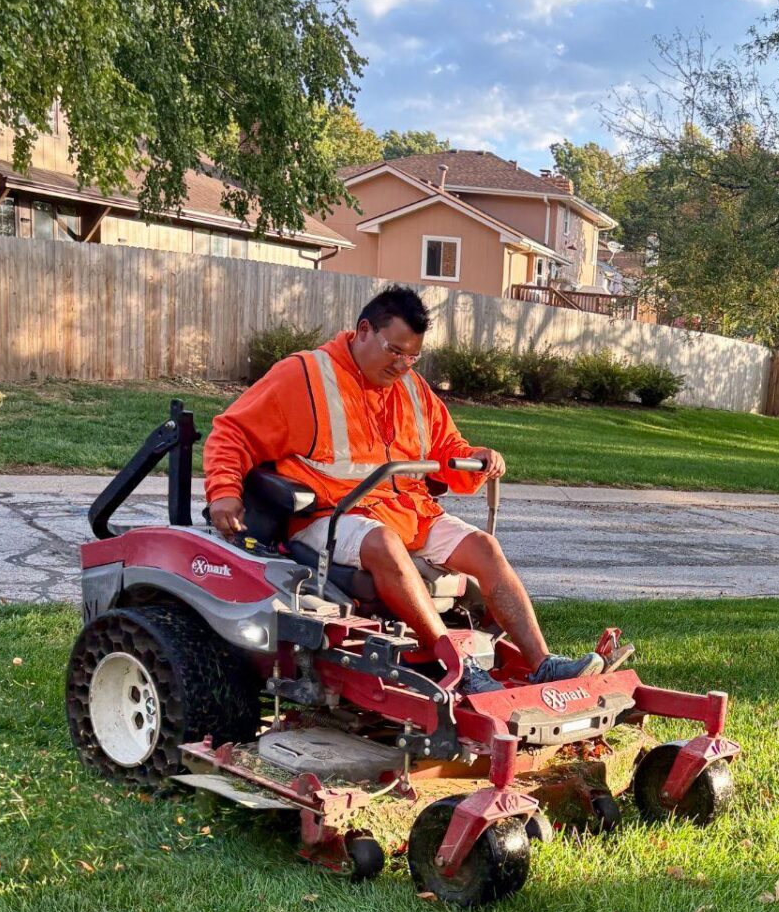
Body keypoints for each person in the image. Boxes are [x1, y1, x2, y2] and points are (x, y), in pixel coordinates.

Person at [203, 285, 603, 694]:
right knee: (385, 544)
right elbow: (232, 432)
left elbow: (447, 451)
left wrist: (476, 457)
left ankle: (544, 664)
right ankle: (459, 668)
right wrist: (224, 492)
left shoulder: (413, 388)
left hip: (408, 512)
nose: (402, 365)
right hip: (328, 515)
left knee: (484, 548)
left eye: (412, 356)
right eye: (394, 351)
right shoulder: (303, 375)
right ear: (363, 331)